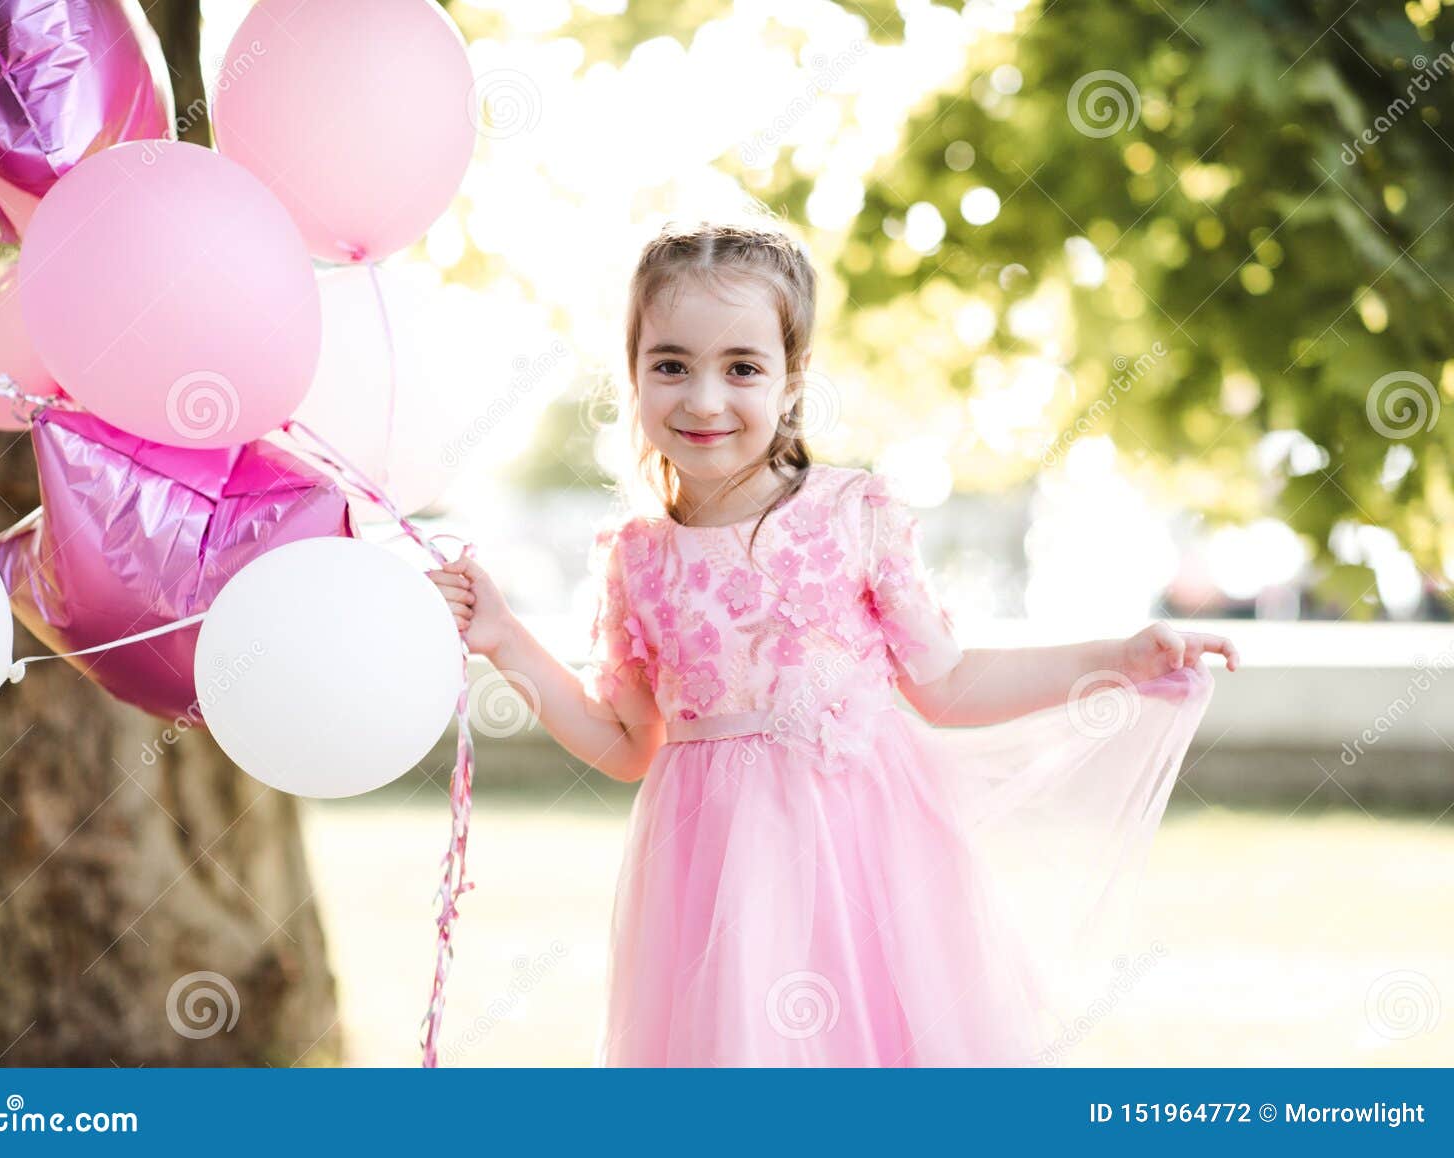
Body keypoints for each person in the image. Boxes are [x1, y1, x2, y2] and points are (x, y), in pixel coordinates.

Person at [428, 219, 1237, 1066]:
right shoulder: (638, 555)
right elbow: (627, 742)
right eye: (670, 365)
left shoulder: (853, 515)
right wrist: (506, 640)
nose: (704, 399)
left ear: (791, 381)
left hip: (861, 862)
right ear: (632, 375)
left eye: (741, 367)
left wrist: (1118, 658)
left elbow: (949, 684)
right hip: (710, 877)